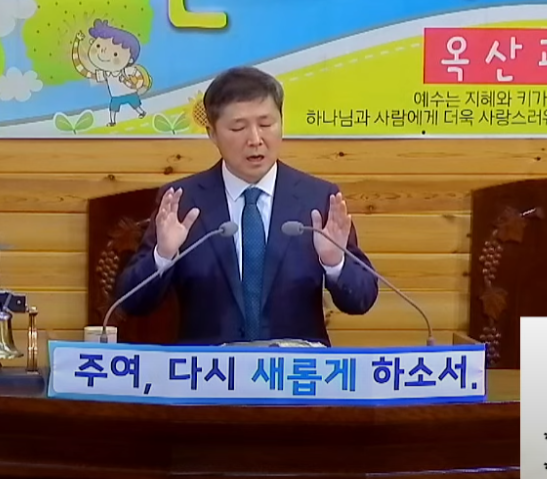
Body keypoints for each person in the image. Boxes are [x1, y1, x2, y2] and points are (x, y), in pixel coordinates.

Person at [114, 66, 379, 345]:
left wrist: (334, 262)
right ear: (212, 133)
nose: (255, 140)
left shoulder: (318, 198)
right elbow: (131, 302)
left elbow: (362, 299)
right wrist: (163, 255)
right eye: (238, 128)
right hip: (210, 369)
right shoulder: (182, 201)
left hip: (293, 369)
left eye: (266, 124)